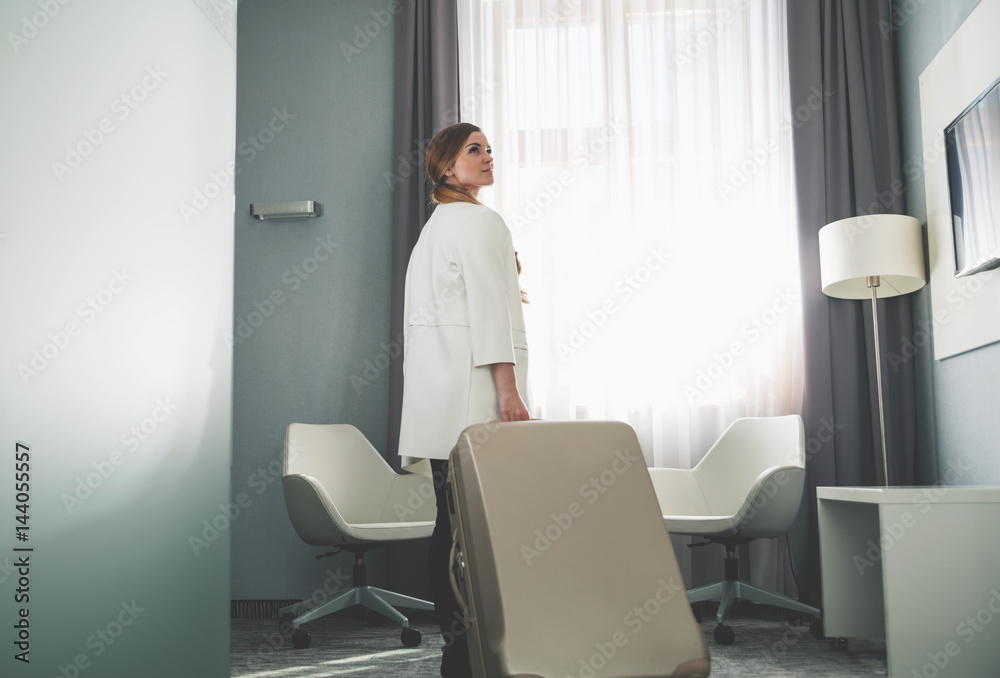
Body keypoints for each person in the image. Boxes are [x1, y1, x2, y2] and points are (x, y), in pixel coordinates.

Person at [398, 122, 531, 677]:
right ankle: (470, 646)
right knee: (471, 527)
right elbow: (489, 313)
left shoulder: (433, 229)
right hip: (474, 396)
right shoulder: (479, 221)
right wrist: (509, 392)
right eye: (473, 150)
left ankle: (457, 649)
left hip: (436, 396)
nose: (487, 156)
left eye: (489, 148)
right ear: (447, 167)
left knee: (448, 526)